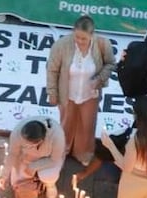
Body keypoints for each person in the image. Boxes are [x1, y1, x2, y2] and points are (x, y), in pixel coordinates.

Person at [45, 16, 114, 167]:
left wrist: (99, 79)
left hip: (90, 95)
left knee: (87, 126)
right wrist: (52, 92)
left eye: (84, 38)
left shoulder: (103, 44)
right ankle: (61, 151)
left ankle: (84, 153)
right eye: (77, 37)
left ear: (92, 35)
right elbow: (52, 70)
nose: (80, 41)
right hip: (67, 94)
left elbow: (110, 64)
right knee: (66, 124)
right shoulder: (61, 45)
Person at [6, 117, 66, 198]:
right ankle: (33, 183)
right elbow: (13, 154)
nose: (25, 145)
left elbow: (54, 160)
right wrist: (4, 174)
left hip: (48, 159)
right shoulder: (18, 132)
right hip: (26, 157)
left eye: (29, 144)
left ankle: (50, 184)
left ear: (41, 141)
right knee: (17, 182)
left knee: (48, 175)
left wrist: (33, 167)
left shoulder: (57, 136)